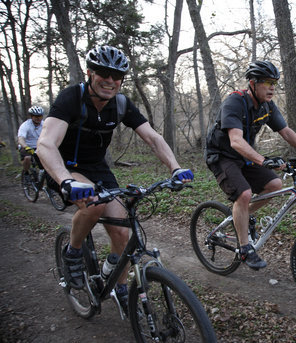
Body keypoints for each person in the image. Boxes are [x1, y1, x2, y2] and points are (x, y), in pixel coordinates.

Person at [37, 45, 193, 314]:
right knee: (94, 203)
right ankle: (73, 253)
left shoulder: (120, 104)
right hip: (64, 167)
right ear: (90, 73)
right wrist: (65, 181)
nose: (109, 80)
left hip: (97, 168)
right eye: (103, 73)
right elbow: (46, 144)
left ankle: (117, 283)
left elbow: (152, 138)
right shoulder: (71, 98)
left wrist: (175, 168)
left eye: (116, 76)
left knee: (122, 229)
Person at [205, 60, 296, 270]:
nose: (272, 87)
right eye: (267, 82)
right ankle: (244, 249)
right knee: (244, 194)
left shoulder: (267, 106)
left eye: (274, 83)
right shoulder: (235, 102)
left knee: (275, 185)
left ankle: (243, 216)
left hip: (244, 156)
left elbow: (285, 131)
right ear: (253, 82)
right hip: (222, 156)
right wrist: (263, 160)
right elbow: (236, 141)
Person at [18, 106, 45, 173]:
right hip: (27, 146)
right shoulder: (25, 125)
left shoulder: (44, 124)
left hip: (39, 146)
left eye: (40, 116)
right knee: (27, 158)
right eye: (36, 116)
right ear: (31, 116)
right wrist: (26, 147)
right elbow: (21, 138)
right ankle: (26, 173)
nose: (38, 118)